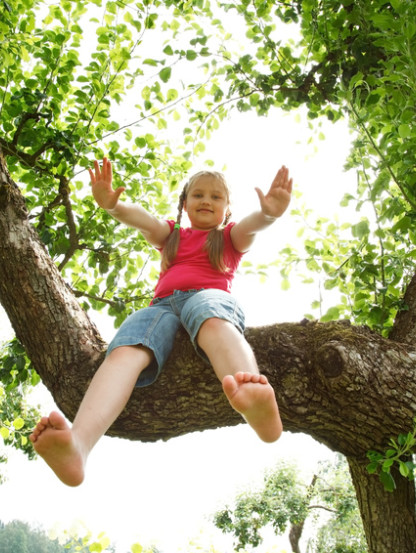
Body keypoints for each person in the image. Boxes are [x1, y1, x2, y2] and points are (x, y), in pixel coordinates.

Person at [29, 157, 293, 486]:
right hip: (162, 307)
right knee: (127, 347)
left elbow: (252, 225)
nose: (206, 201)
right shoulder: (172, 235)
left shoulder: (228, 238)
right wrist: (114, 206)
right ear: (184, 204)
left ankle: (250, 394)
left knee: (212, 317)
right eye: (197, 195)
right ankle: (78, 446)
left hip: (207, 295)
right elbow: (146, 221)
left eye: (216, 197)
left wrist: (269, 213)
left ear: (227, 209)